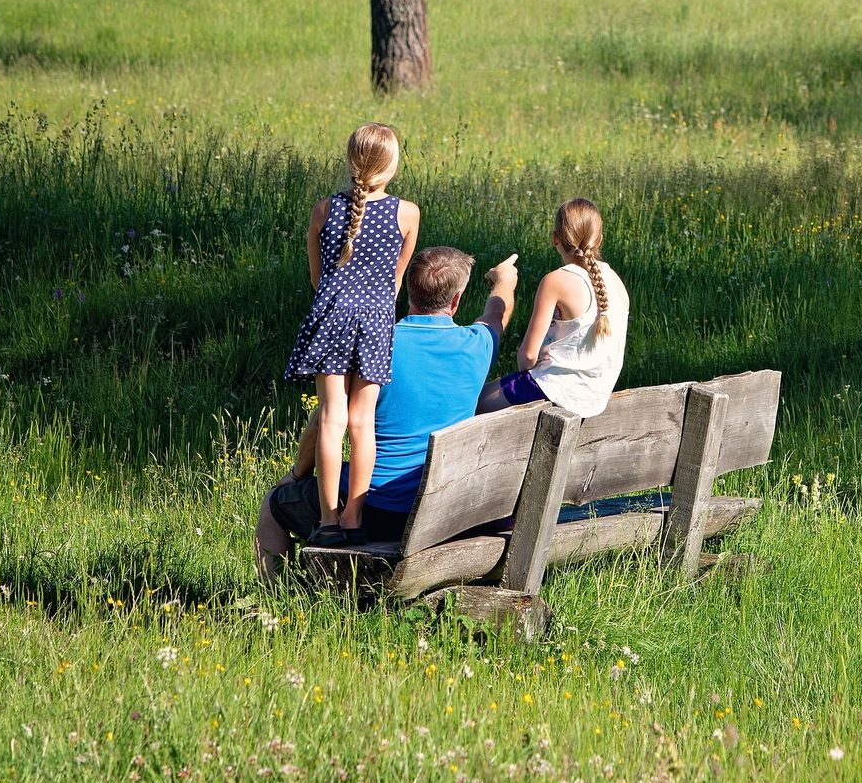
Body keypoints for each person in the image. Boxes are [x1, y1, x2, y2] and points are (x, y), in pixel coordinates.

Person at [256, 247, 519, 583]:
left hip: (375, 507)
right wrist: (504, 281)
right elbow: (497, 314)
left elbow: (328, 418)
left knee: (275, 504)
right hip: (445, 507)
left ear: (409, 290)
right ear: (455, 301)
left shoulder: (378, 346)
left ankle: (276, 596)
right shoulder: (477, 344)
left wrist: (297, 474)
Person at [281, 122, 420, 548]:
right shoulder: (407, 213)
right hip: (376, 319)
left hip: (331, 315)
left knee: (330, 418)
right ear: (392, 166)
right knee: (363, 423)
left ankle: (327, 519)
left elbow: (316, 277)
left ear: (350, 160)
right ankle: (355, 516)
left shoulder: (324, 210)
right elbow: (396, 281)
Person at [477, 197, 629, 419]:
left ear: (555, 238)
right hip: (593, 396)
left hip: (556, 388)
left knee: (472, 402)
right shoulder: (614, 280)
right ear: (600, 240)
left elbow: (527, 357)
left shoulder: (556, 281)